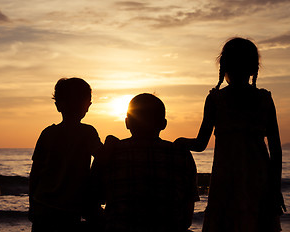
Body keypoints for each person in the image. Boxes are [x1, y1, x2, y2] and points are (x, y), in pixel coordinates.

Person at [174, 37, 286, 232]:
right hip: (259, 180)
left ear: (223, 67)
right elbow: (276, 150)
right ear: (254, 69)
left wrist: (181, 142)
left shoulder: (216, 100)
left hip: (225, 181)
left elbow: (200, 143)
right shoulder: (263, 99)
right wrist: (275, 189)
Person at [91, 93, 199, 232]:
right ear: (164, 124)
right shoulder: (181, 155)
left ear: (127, 123)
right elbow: (186, 218)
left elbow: (91, 203)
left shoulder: (110, 153)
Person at [29, 77, 102, 231]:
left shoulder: (48, 133)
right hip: (71, 206)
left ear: (58, 106)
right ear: (87, 105)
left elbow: (35, 174)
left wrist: (32, 204)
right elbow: (102, 157)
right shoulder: (87, 132)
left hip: (44, 205)